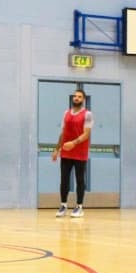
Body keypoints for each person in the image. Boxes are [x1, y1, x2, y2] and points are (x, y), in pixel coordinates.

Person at [51, 88, 93, 218]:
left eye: (79, 96)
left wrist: (73, 143)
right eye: (75, 96)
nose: (76, 98)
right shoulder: (66, 113)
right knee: (64, 180)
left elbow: (86, 134)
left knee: (80, 180)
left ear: (83, 99)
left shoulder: (88, 114)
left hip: (80, 153)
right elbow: (63, 133)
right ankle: (63, 205)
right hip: (66, 153)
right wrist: (57, 149)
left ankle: (79, 206)